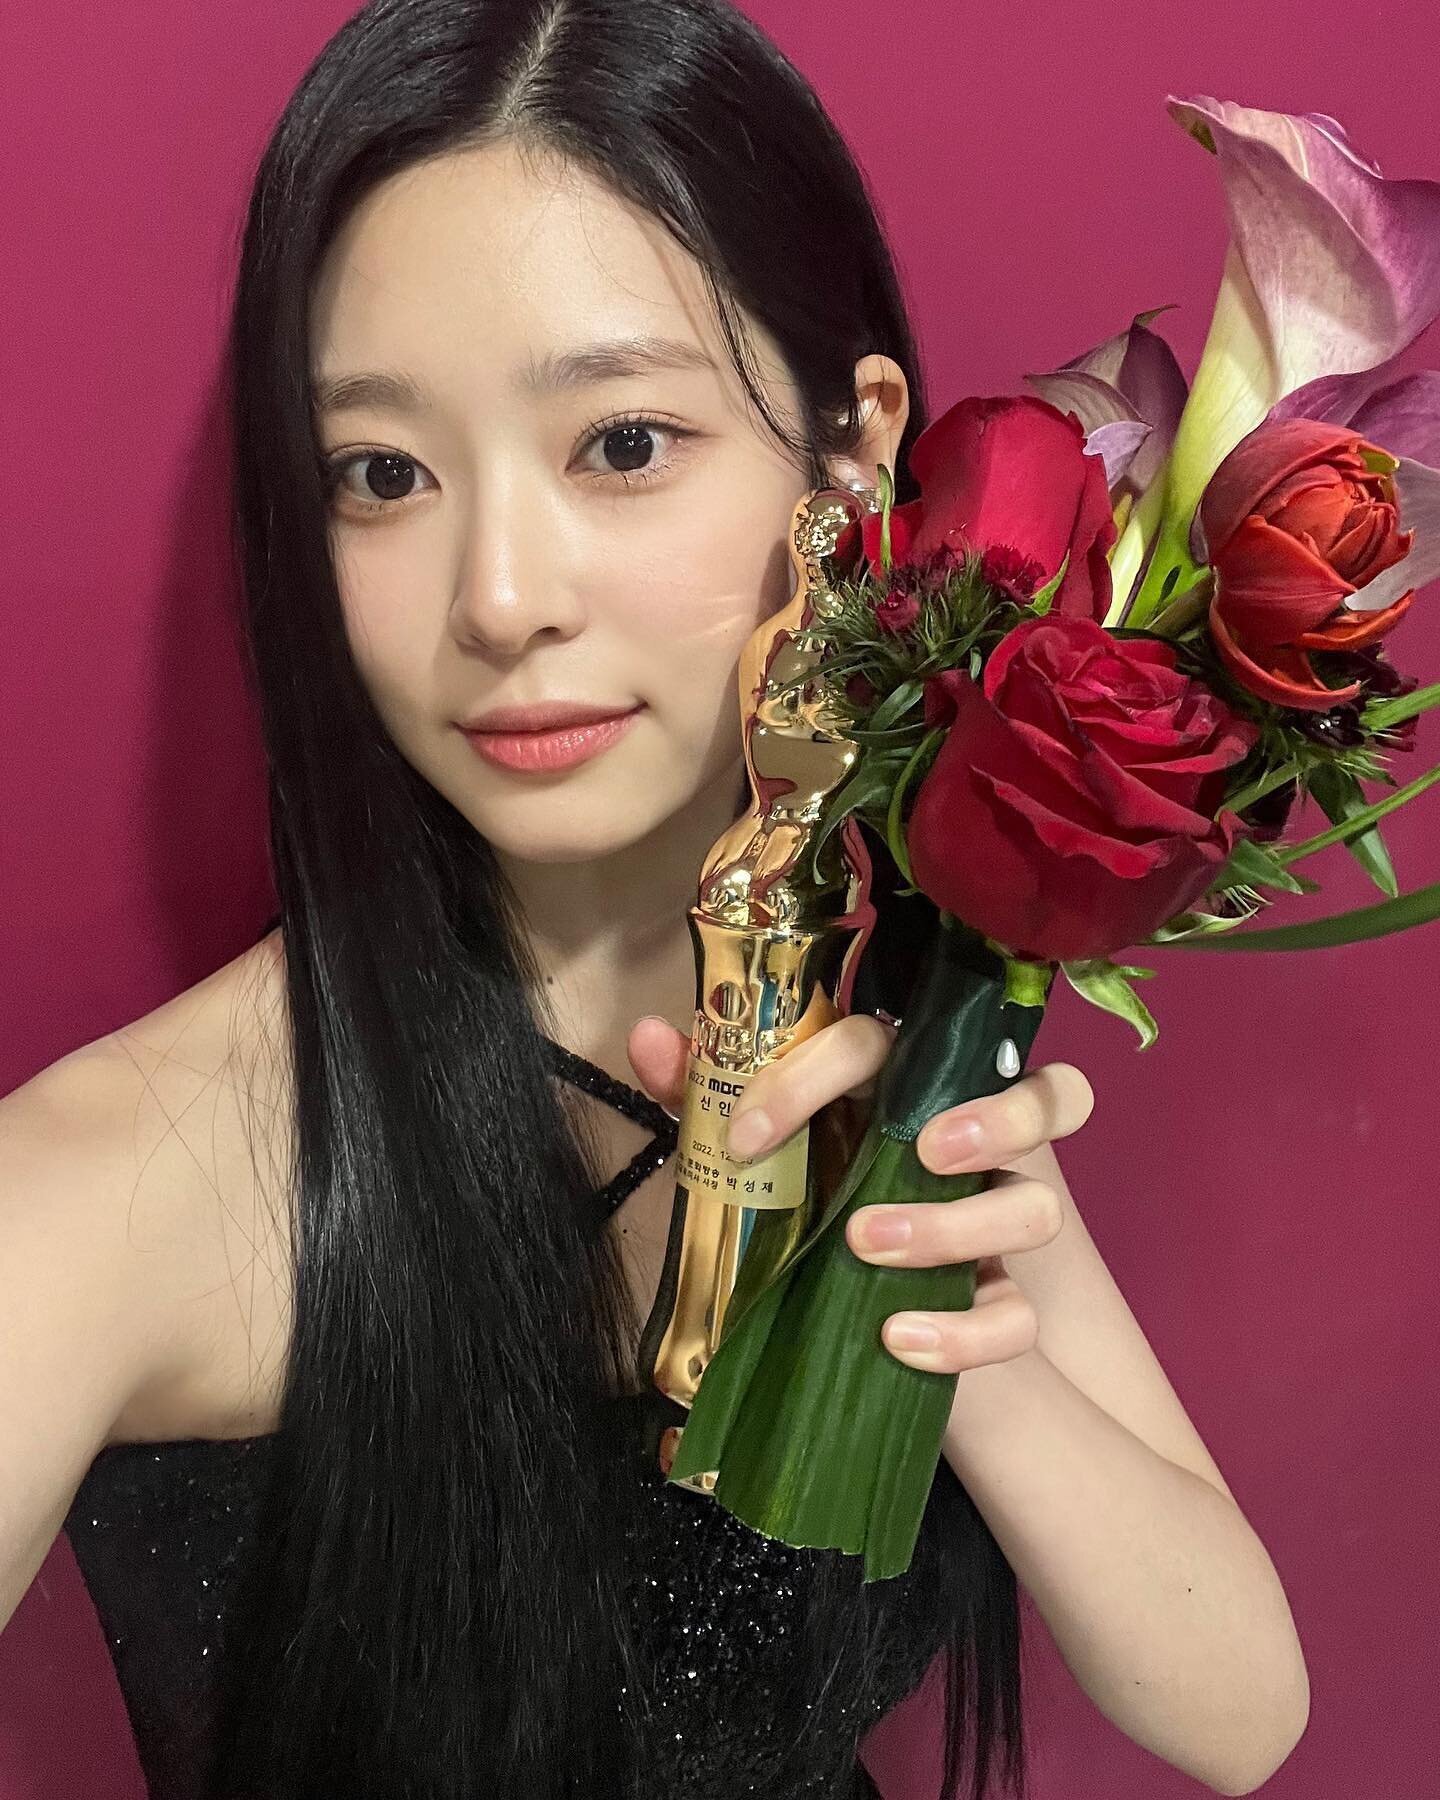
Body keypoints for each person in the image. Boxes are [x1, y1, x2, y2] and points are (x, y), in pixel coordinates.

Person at [2, 2, 1310, 1798]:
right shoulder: (106, 1182)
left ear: (852, 452)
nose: (499, 597)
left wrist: (944, 1331)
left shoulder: (883, 1045)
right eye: (383, 475)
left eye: (620, 443)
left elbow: (1238, 1715)